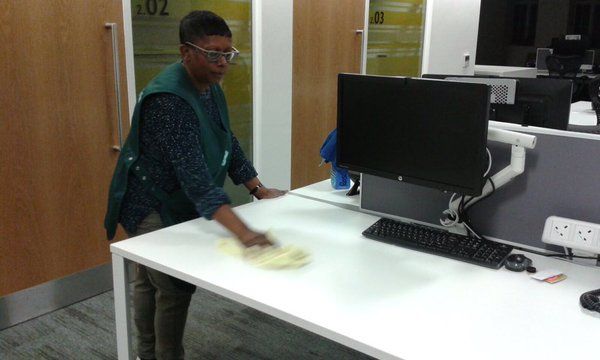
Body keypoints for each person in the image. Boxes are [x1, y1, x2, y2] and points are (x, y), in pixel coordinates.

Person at [104, 10, 286, 360]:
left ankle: (148, 353)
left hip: (174, 195)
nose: (222, 63)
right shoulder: (169, 101)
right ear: (186, 52)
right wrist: (244, 233)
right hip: (148, 201)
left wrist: (257, 188)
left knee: (148, 279)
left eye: (227, 54)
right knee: (171, 286)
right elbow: (198, 183)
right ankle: (159, 354)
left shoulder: (207, 86)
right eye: (213, 53)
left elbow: (226, 139)